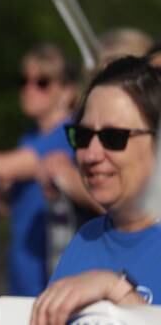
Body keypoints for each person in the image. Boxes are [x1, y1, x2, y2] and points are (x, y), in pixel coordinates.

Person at [0, 43, 97, 296]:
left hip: (53, 279)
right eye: (24, 80)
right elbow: (11, 181)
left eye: (42, 82)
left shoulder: (68, 134)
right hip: (24, 276)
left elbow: (8, 164)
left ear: (67, 91)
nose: (29, 89)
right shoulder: (31, 136)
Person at [30, 56, 161, 325]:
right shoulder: (86, 240)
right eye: (83, 135)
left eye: (114, 137)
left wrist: (114, 289)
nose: (91, 154)